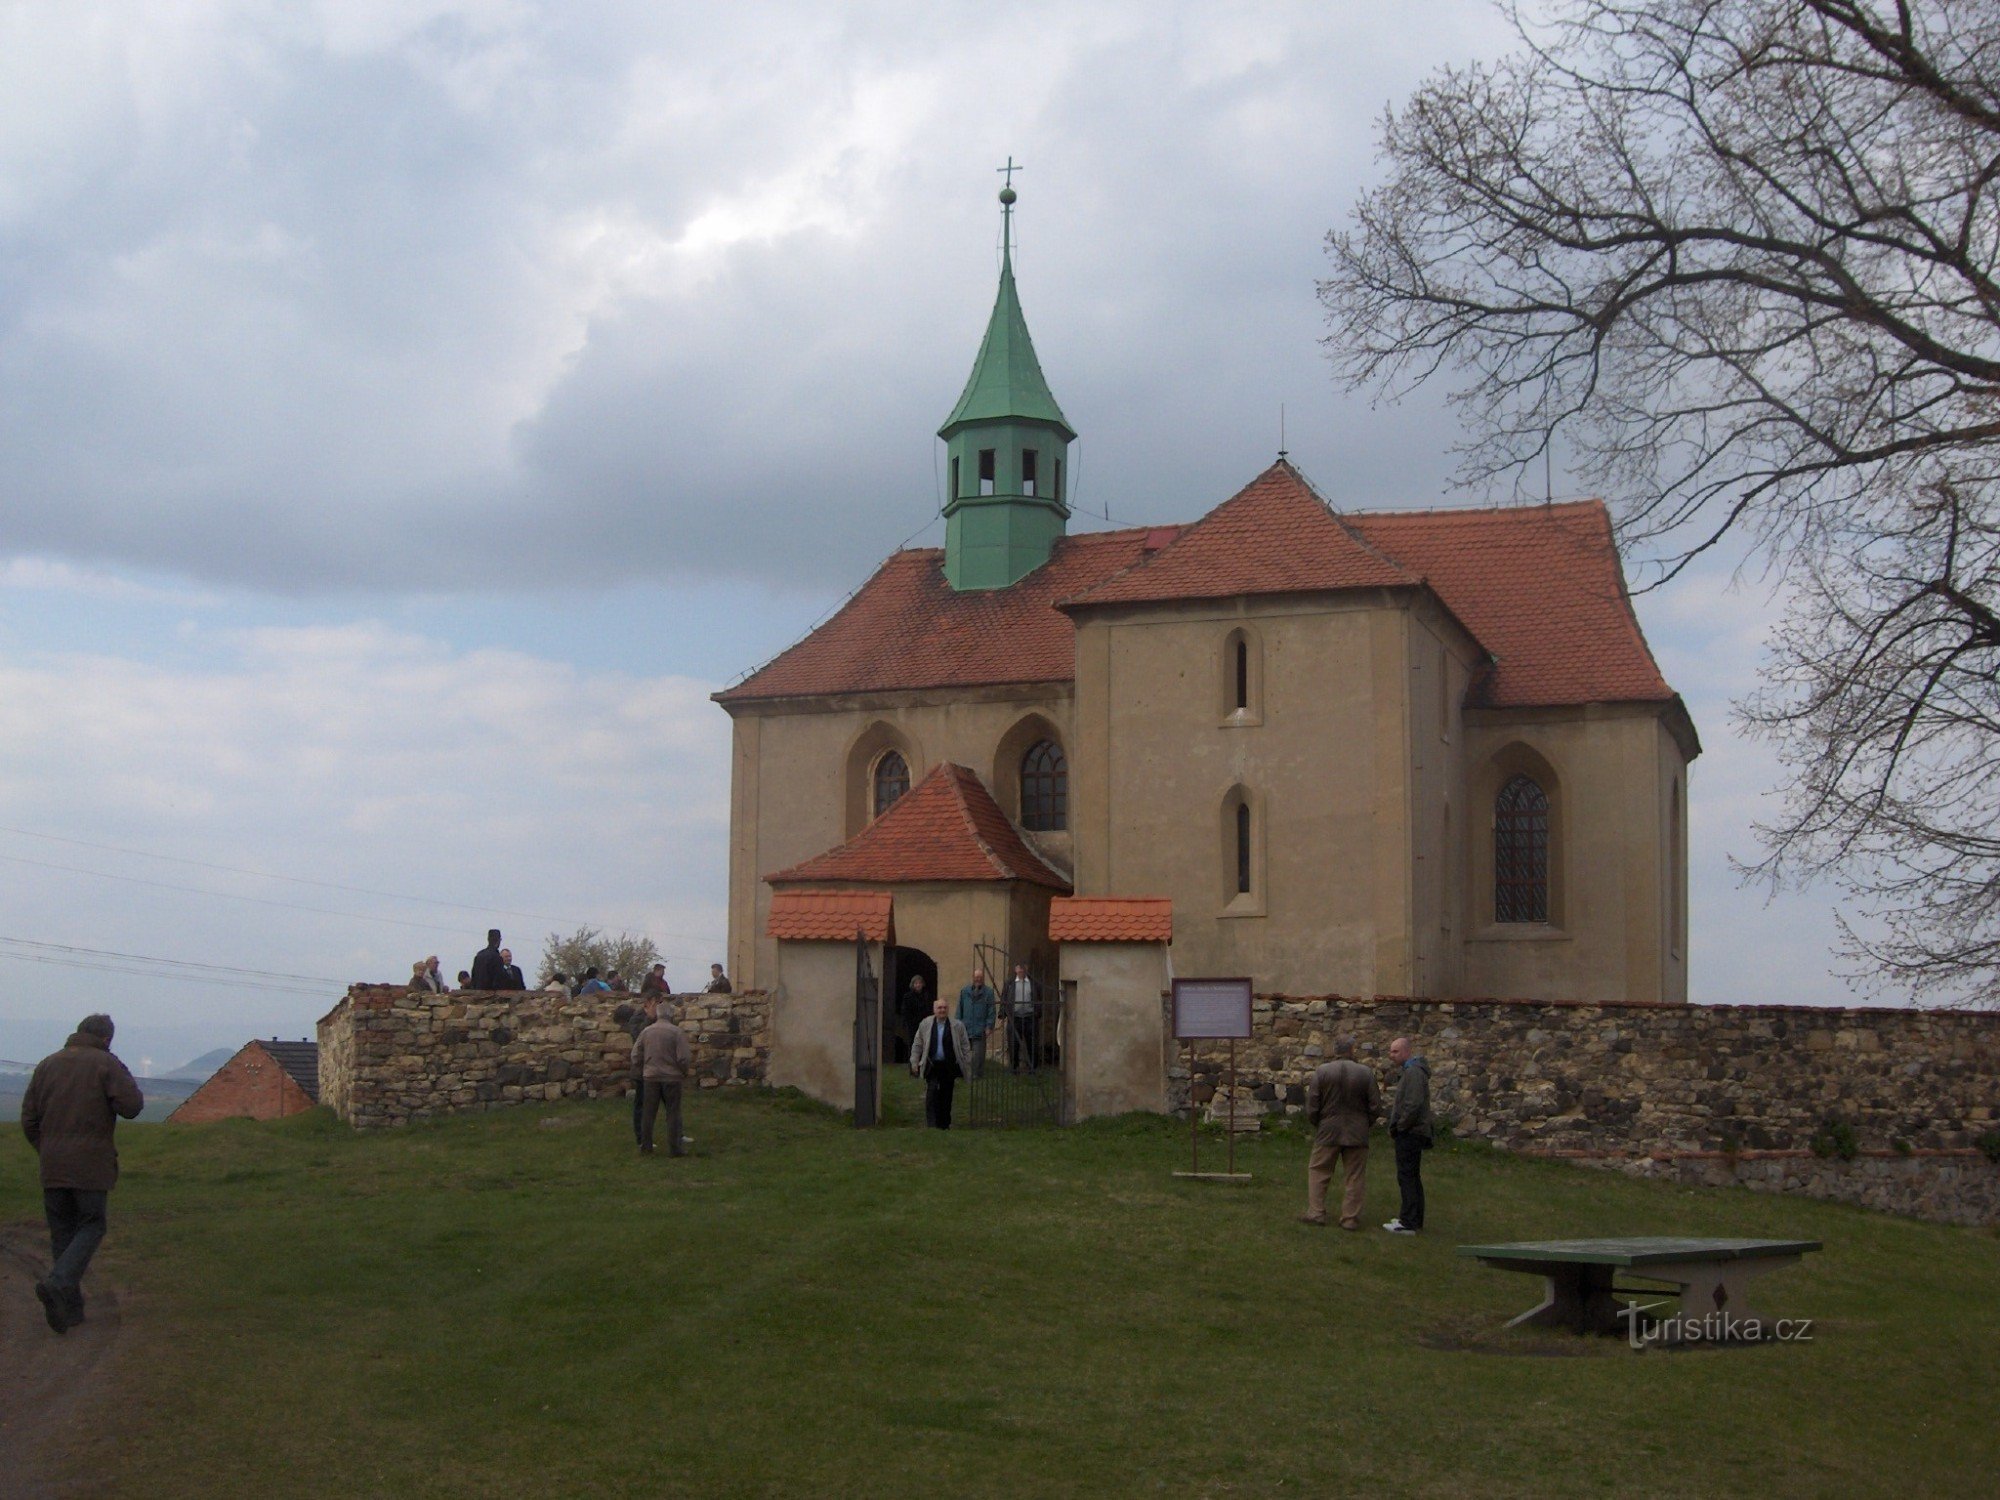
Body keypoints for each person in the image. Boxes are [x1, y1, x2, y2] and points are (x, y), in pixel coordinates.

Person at [19, 1014, 144, 1334]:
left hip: (52, 1165)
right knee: (91, 1225)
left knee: (63, 1234)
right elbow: (132, 1107)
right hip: (90, 1165)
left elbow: (29, 1120)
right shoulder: (105, 1063)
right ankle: (59, 1283)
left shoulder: (47, 1065)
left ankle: (70, 1311)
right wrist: (116, 1065)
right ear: (106, 1039)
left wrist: (47, 1149)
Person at [1301, 1037, 1381, 1230]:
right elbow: (1375, 1105)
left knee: (1319, 1170)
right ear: (1352, 1050)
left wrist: (1319, 1123)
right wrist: (1365, 1123)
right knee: (1354, 1176)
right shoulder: (1365, 1073)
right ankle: (1350, 1218)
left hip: (1328, 1127)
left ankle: (1316, 1212)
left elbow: (1312, 1104)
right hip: (1357, 1129)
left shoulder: (1323, 1072)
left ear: (1334, 1050)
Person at [1384, 1035, 1434, 1234]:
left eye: (1395, 1051)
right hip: (1412, 1130)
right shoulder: (1411, 1072)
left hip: (1411, 1132)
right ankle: (1412, 1218)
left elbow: (1412, 1104)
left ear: (1406, 1051)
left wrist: (1400, 1126)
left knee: (1407, 1176)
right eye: (1390, 1051)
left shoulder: (1413, 1072)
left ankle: (1408, 1222)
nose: (1391, 1055)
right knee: (1411, 1175)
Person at [632, 1001, 693, 1156]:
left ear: (658, 1014)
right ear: (671, 1015)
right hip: (672, 1077)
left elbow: (635, 1054)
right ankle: (675, 1148)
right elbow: (684, 1058)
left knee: (648, 1113)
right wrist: (684, 1072)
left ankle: (646, 1146)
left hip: (651, 1076)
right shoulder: (676, 1032)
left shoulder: (647, 1031)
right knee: (673, 1112)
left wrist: (642, 1068)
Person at [909, 995, 973, 1129]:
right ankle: (932, 1124)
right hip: (932, 1065)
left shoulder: (957, 1025)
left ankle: (944, 1124)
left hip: (949, 1065)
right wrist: (914, 1062)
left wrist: (967, 1062)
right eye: (939, 1008)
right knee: (932, 1093)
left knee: (946, 1094)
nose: (942, 1010)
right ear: (934, 1009)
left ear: (948, 1009)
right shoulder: (925, 1024)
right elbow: (917, 1044)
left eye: (944, 1007)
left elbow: (965, 1045)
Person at [957, 967, 997, 1079]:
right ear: (973, 978)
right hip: (966, 1026)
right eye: (976, 977)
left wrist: (989, 1026)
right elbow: (959, 1009)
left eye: (980, 977)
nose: (978, 979)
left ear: (983, 979)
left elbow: (991, 1010)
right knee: (964, 1052)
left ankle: (976, 1074)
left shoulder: (988, 992)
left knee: (978, 1054)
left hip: (980, 1028)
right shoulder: (964, 991)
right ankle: (964, 1072)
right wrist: (958, 1024)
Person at [1005, 964, 1038, 1072]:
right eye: (1019, 969)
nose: (1021, 971)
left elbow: (1039, 999)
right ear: (1015, 970)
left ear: (1026, 969)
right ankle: (1014, 1067)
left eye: (1023, 969)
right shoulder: (1010, 983)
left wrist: (1037, 1013)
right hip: (1015, 1018)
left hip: (1029, 1017)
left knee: (1031, 1044)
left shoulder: (1033, 983)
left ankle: (1032, 1067)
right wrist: (1003, 1014)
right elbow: (1004, 998)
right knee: (1013, 1043)